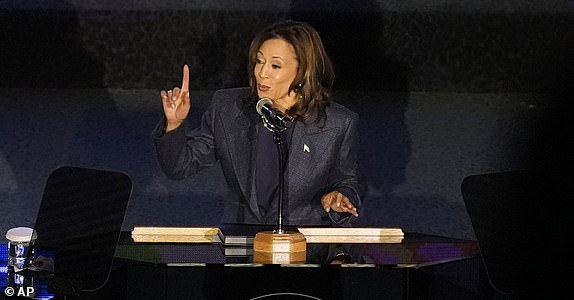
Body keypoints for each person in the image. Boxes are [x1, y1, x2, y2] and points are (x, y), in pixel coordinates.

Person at [152, 20, 364, 226]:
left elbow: (348, 182)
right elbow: (180, 167)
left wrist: (340, 196)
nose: (262, 73)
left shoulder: (337, 123)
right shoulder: (227, 108)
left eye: (275, 65)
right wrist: (174, 124)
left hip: (306, 243)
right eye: (259, 61)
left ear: (302, 71)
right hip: (243, 240)